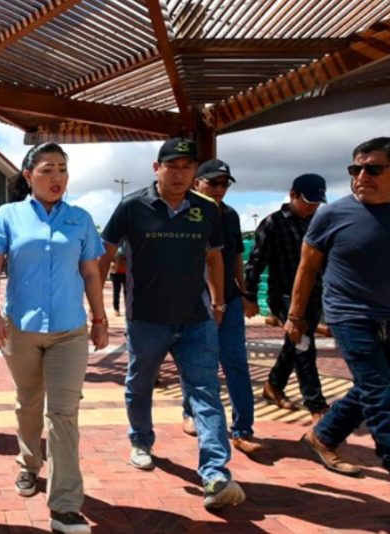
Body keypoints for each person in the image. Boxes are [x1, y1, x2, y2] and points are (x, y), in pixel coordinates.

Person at [288, 137, 390, 531]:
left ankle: (323, 436)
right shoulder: (331, 216)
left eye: (373, 169)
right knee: (382, 400)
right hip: (349, 316)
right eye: (355, 169)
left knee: (369, 390)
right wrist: (295, 316)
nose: (361, 177)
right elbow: (307, 269)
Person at [98, 138, 245, 510]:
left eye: (187, 167)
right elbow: (105, 253)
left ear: (194, 172)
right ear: (157, 168)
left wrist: (218, 299)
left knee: (206, 391)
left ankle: (215, 474)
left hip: (195, 320)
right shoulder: (132, 206)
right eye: (172, 166)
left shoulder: (207, 210)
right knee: (139, 383)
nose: (179, 174)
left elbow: (214, 257)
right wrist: (96, 307)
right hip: (146, 319)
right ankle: (141, 441)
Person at [0, 142, 110, 534]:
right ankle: (28, 463)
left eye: (63, 170)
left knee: (64, 414)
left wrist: (100, 318)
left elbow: (91, 272)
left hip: (69, 331)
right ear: (28, 175)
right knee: (28, 403)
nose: (57, 178)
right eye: (48, 169)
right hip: (20, 330)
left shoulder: (80, 218)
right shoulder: (8, 216)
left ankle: (66, 504)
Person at [178, 159, 261, 456]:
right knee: (200, 363)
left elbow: (237, 255)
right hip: (195, 302)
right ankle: (190, 411)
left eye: (224, 184)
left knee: (236, 363)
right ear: (196, 182)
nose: (219, 189)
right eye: (213, 183)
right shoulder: (184, 213)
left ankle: (243, 428)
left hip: (231, 301)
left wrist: (244, 291)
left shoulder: (231, 216)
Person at [243, 174, 330, 421]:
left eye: (316, 203)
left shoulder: (317, 223)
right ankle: (316, 405)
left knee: (295, 344)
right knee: (303, 344)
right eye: (307, 201)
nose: (311, 207)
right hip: (284, 297)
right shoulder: (273, 223)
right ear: (293, 194)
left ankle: (273, 386)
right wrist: (249, 295)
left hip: (314, 295)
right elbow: (255, 262)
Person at [110, 245, 127, 316]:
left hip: (126, 272)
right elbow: (109, 257)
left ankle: (128, 308)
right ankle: (116, 309)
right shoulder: (113, 244)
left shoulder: (127, 244)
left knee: (127, 292)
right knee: (116, 291)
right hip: (115, 273)